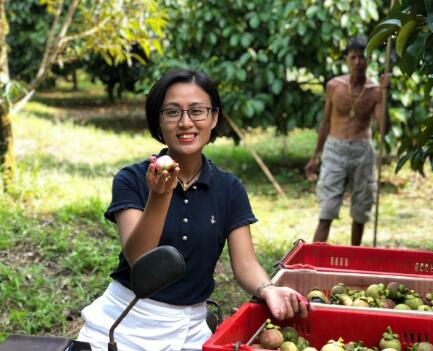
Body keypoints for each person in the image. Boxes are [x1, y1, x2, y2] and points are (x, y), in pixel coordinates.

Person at [77, 68, 309, 351]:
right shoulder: (132, 180)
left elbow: (245, 263)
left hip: (191, 327)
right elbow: (140, 259)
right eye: (173, 112)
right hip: (128, 321)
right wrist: (159, 196)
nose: (186, 123)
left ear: (213, 118)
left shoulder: (229, 188)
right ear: (158, 121)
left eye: (197, 111)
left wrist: (268, 289)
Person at [305, 35, 390, 246]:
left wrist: (385, 95)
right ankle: (315, 259)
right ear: (346, 59)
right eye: (353, 57)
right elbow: (325, 122)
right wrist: (315, 156)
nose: (358, 62)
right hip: (335, 148)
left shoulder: (375, 91)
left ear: (368, 61)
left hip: (362, 150)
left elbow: (383, 128)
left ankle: (355, 256)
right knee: (327, 210)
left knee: (360, 210)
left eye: (362, 58)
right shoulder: (334, 86)